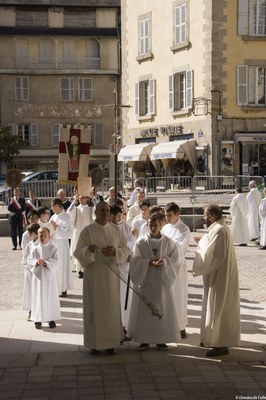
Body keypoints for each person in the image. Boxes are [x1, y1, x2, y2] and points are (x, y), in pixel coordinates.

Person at [74, 201, 131, 355]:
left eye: (107, 210)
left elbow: (126, 249)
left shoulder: (115, 229)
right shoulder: (87, 231)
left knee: (111, 308)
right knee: (95, 308)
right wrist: (89, 250)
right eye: (102, 210)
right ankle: (95, 342)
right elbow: (77, 252)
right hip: (94, 273)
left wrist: (115, 252)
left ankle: (111, 342)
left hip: (111, 274)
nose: (105, 213)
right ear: (96, 212)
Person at [192, 204, 240, 357]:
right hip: (216, 276)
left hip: (220, 277)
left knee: (218, 308)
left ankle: (220, 344)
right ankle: (211, 339)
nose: (204, 218)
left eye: (205, 215)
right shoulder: (218, 228)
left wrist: (199, 246)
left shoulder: (219, 231)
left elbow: (213, 256)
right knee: (214, 307)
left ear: (212, 216)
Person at [127, 213, 181, 351]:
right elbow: (134, 261)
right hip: (146, 281)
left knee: (162, 307)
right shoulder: (141, 242)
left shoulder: (168, 242)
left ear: (160, 225)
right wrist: (148, 262)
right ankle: (144, 339)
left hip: (162, 282)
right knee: (145, 309)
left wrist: (164, 261)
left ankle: (161, 340)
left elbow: (175, 259)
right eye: (150, 225)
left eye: (155, 225)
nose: (152, 227)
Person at [162, 202, 191, 339]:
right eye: (166, 215)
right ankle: (167, 324)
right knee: (167, 296)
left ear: (177, 215)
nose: (167, 218)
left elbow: (177, 247)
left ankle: (180, 327)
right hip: (165, 265)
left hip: (177, 266)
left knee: (178, 296)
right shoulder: (166, 227)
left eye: (169, 215)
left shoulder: (184, 229)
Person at [26, 227, 61, 329]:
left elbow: (57, 262)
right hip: (38, 277)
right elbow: (30, 260)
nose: (43, 237)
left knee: (50, 297)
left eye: (45, 235)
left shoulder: (53, 248)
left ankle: (51, 319)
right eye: (41, 235)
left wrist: (46, 263)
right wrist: (36, 262)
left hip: (49, 277)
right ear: (38, 235)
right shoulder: (35, 248)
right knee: (38, 297)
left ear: (49, 237)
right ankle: (37, 319)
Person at [110, 205, 135, 333]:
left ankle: (124, 323)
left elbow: (131, 243)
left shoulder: (127, 227)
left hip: (124, 265)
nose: (119, 218)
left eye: (120, 216)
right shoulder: (106, 227)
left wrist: (128, 253)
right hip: (111, 266)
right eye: (116, 216)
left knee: (124, 295)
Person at [49, 198, 74, 297]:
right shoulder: (53, 217)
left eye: (54, 206)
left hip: (62, 245)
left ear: (60, 206)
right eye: (51, 207)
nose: (52, 208)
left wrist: (57, 228)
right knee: (54, 267)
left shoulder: (67, 217)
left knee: (61, 267)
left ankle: (63, 289)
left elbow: (70, 233)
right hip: (53, 245)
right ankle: (55, 288)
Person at [67, 192, 93, 278]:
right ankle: (79, 270)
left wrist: (94, 198)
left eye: (84, 197)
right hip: (77, 232)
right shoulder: (76, 209)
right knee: (78, 251)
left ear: (87, 199)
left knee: (87, 251)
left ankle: (86, 269)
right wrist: (74, 200)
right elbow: (68, 212)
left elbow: (96, 213)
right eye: (81, 198)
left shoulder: (90, 209)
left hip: (88, 233)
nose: (82, 199)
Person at [21, 223, 40, 322]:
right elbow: (25, 256)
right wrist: (27, 265)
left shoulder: (41, 244)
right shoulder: (30, 244)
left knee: (38, 292)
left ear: (36, 233)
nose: (28, 235)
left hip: (38, 272)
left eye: (30, 233)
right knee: (30, 292)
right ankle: (31, 311)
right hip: (30, 271)